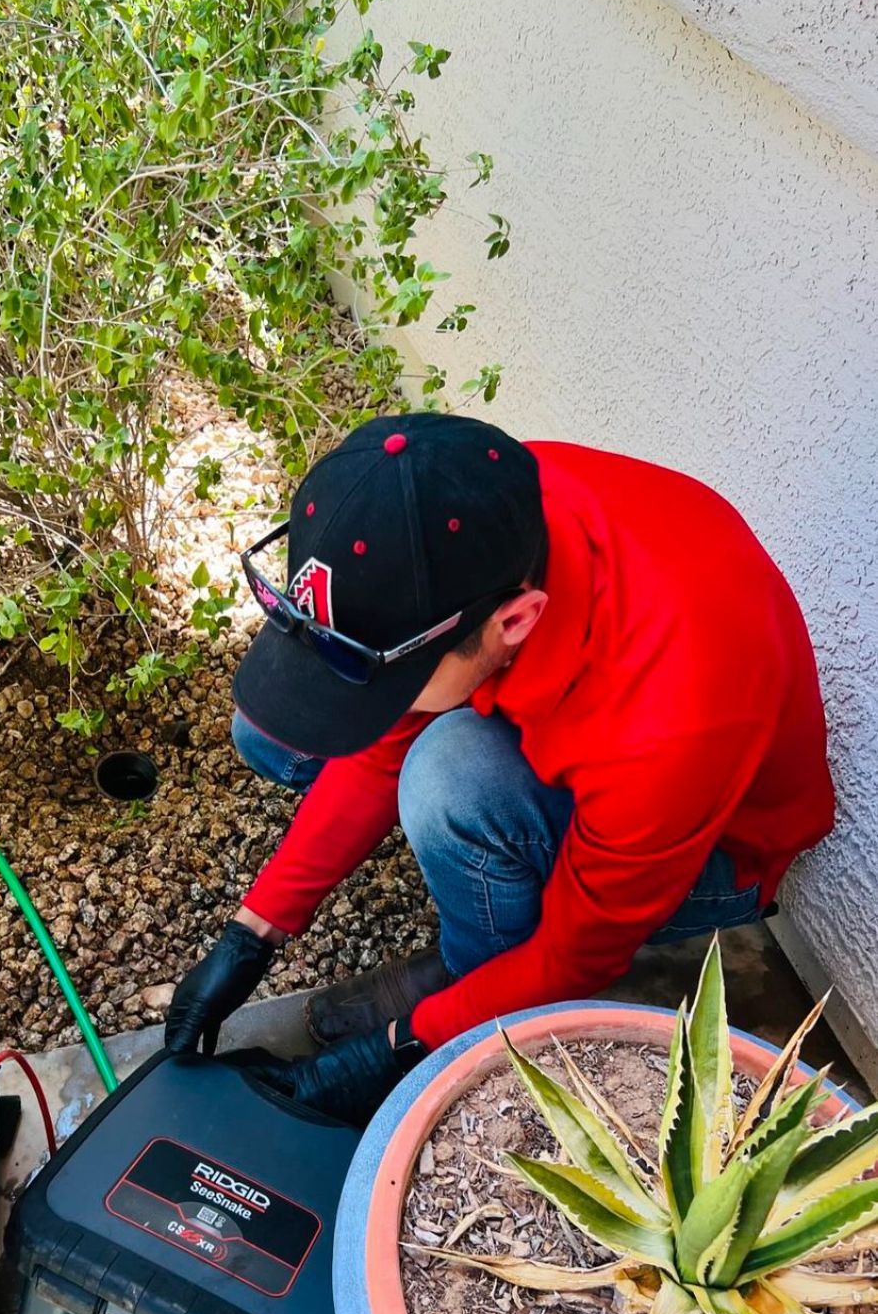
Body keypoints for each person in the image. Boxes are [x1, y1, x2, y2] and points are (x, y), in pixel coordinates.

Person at [163, 413, 834, 1124]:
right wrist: (254, 932)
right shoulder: (480, 504)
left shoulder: (677, 714)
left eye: (394, 677)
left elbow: (577, 957)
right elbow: (383, 737)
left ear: (515, 622)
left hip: (717, 855)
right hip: (592, 728)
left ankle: (471, 972)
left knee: (447, 778)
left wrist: (405, 1042)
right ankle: (477, 938)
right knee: (274, 733)